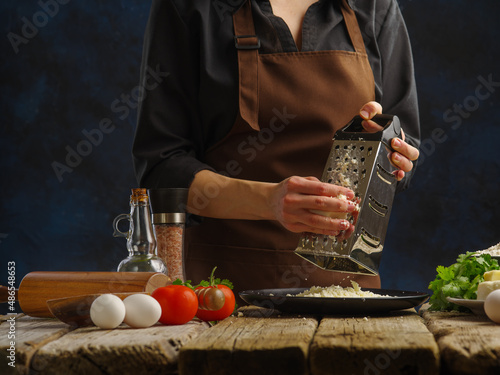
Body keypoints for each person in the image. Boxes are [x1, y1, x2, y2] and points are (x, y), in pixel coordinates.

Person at [132, 0, 420, 299]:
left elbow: (406, 146)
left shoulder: (374, 6)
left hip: (347, 296)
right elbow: (161, 170)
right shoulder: (189, 7)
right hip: (222, 296)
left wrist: (390, 152)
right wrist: (268, 201)